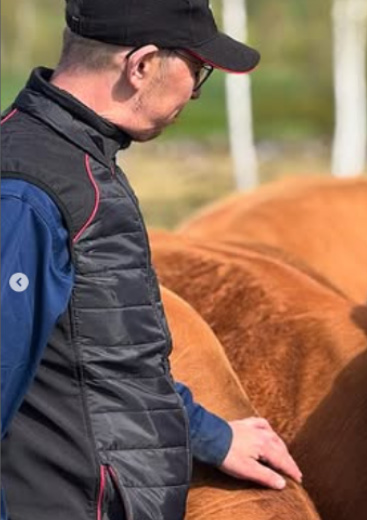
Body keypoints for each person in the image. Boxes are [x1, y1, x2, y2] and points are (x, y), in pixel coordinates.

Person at [0, 1, 302, 519]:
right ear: (140, 66)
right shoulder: (28, 190)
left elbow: (104, 360)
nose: (196, 90)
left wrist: (210, 434)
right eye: (198, 70)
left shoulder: (77, 164)